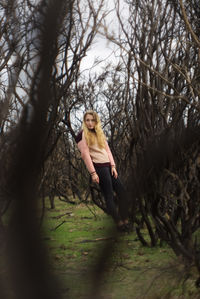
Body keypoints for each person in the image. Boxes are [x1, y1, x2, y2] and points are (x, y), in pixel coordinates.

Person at [75, 110, 129, 231]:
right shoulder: (82, 135)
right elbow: (85, 154)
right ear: (84, 122)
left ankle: (125, 221)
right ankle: (120, 225)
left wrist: (113, 166)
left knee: (123, 193)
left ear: (96, 121)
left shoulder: (99, 133)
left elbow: (108, 151)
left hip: (109, 167)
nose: (90, 123)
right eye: (87, 120)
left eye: (92, 120)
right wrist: (93, 173)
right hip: (99, 168)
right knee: (109, 196)